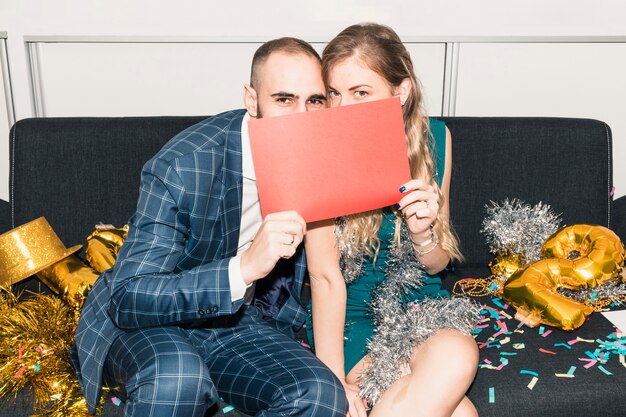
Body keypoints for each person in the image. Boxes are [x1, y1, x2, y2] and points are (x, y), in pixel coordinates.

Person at [71, 37, 348, 417]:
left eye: (314, 101)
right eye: (284, 99)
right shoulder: (184, 165)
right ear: (252, 100)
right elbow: (129, 297)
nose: (301, 115)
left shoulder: (319, 159)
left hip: (235, 324)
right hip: (152, 322)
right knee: (178, 377)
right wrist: (245, 268)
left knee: (319, 394)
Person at [304, 23, 480, 417]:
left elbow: (438, 264)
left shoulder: (435, 138)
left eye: (361, 93)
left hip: (424, 313)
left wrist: (422, 233)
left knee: (457, 350)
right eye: (334, 93)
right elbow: (326, 277)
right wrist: (332, 380)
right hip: (356, 323)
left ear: (400, 93)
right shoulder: (317, 152)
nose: (343, 107)